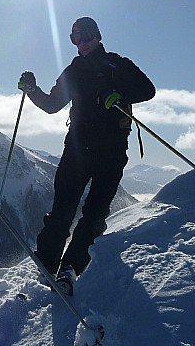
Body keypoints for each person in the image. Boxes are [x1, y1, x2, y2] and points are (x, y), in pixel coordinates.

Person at [19, 16, 155, 295]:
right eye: (75, 38)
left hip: (112, 151)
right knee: (62, 210)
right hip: (78, 149)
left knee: (94, 213)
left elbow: (147, 90)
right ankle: (46, 263)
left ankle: (70, 266)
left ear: (97, 35)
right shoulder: (74, 71)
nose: (81, 43)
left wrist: (116, 92)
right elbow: (52, 104)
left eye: (85, 36)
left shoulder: (117, 64)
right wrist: (32, 91)